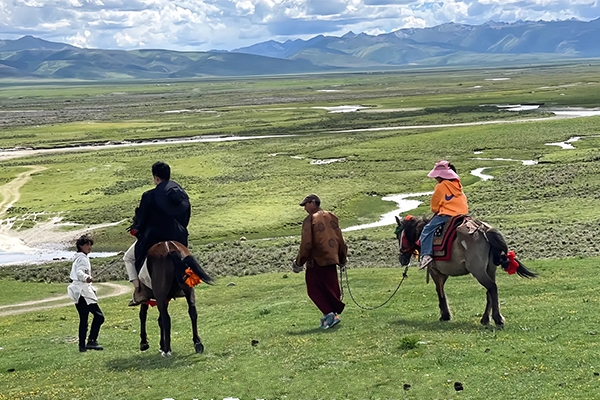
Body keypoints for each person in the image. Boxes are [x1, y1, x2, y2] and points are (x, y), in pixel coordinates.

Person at [126, 161, 191, 306]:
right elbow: (185, 216)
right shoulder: (181, 194)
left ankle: (139, 291)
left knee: (129, 258)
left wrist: (136, 230)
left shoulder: (149, 196)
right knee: (184, 255)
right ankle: (186, 282)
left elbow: (141, 219)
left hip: (153, 237)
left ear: (156, 178)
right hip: (178, 236)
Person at [293, 194, 348, 329]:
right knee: (331, 288)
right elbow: (340, 239)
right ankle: (332, 314)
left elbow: (306, 244)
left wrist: (299, 262)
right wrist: (342, 258)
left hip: (316, 261)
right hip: (331, 260)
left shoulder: (310, 220)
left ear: (313, 203)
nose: (305, 208)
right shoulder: (332, 217)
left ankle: (329, 315)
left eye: (305, 205)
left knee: (313, 289)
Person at [419, 160, 469, 269]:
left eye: (436, 176)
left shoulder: (441, 187)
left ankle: (426, 254)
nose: (436, 179)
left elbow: (434, 208)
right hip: (463, 214)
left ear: (441, 177)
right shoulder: (458, 185)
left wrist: (439, 209)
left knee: (427, 229)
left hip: (448, 215)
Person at [67, 235, 105, 352]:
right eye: (87, 245)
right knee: (99, 317)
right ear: (80, 246)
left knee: (84, 319)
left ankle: (82, 346)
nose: (89, 247)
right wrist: (86, 277)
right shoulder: (83, 258)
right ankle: (91, 341)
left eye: (90, 245)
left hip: (77, 291)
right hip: (83, 291)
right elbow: (79, 272)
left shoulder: (77, 257)